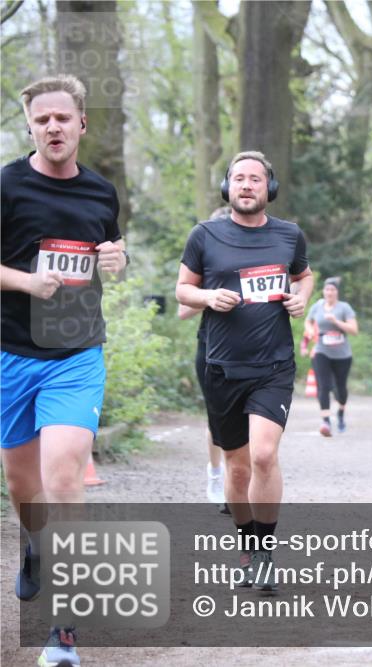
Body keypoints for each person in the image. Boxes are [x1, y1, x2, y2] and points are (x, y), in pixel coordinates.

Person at [1, 74, 128, 667]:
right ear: (31, 124)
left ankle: (65, 627)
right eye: (42, 118)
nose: (53, 126)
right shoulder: (6, 185)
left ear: (81, 124)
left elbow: (113, 255)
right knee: (23, 485)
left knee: (63, 477)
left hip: (77, 355)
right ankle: (35, 544)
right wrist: (27, 280)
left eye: (63, 118)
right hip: (10, 352)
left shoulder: (102, 192)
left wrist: (118, 260)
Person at [176, 151, 313, 591]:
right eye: (239, 178)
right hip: (221, 366)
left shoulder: (290, 235)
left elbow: (304, 276)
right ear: (227, 187)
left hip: (273, 364)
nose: (247, 185)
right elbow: (182, 289)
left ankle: (266, 552)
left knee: (263, 456)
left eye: (256, 179)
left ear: (268, 188)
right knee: (236, 469)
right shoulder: (205, 235)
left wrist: (300, 297)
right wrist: (208, 298)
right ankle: (247, 546)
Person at [178, 206, 231, 512]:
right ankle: (215, 475)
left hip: (250, 350)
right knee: (217, 417)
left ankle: (236, 483)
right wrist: (211, 295)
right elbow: (183, 310)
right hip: (211, 347)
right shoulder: (204, 265)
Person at [305, 277, 357, 435]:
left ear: (337, 292)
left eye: (332, 290)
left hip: (342, 354)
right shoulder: (317, 306)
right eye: (327, 289)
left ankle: (340, 413)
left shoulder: (344, 307)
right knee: (323, 385)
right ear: (324, 291)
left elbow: (354, 330)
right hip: (322, 350)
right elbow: (308, 321)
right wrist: (310, 330)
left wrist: (336, 321)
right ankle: (326, 421)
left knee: (340, 388)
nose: (329, 292)